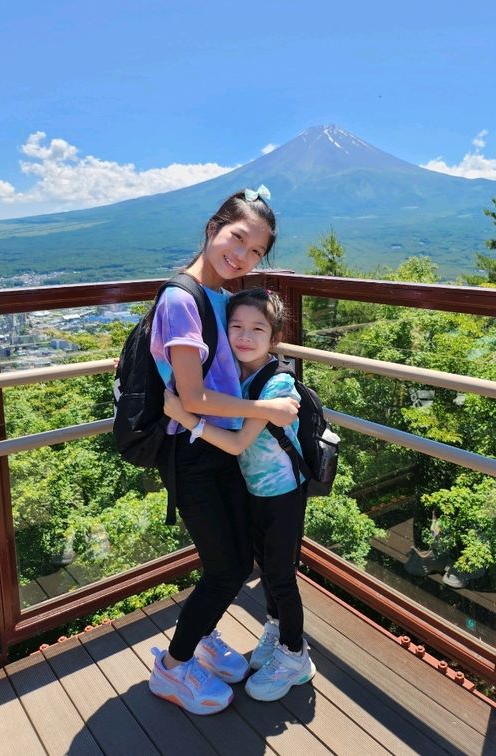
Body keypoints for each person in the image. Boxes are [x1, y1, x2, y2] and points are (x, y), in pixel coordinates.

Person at [147, 187, 300, 716]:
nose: (243, 257)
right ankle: (172, 667)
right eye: (238, 238)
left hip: (220, 451)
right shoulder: (182, 300)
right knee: (228, 569)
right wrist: (269, 412)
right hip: (192, 455)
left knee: (233, 560)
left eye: (256, 251)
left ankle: (201, 634)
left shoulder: (221, 297)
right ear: (214, 227)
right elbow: (190, 396)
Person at [163, 287, 316, 702]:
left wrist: (184, 416)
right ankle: (274, 627)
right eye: (236, 327)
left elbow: (235, 444)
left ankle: (294, 654)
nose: (245, 337)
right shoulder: (234, 373)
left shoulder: (277, 383)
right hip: (254, 491)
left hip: (283, 493)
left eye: (257, 329)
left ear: (275, 337)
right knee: (267, 568)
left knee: (282, 577)